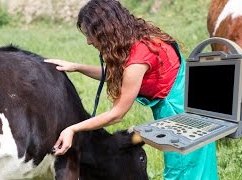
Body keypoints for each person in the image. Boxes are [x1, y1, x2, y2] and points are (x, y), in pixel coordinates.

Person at [45, 0, 218, 179]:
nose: (89, 41)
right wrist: (77, 67)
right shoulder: (143, 39)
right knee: (199, 169)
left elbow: (116, 114)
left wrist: (72, 129)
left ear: (105, 29)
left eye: (91, 34)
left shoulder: (138, 58)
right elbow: (124, 76)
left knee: (182, 170)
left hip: (182, 119)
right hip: (191, 107)